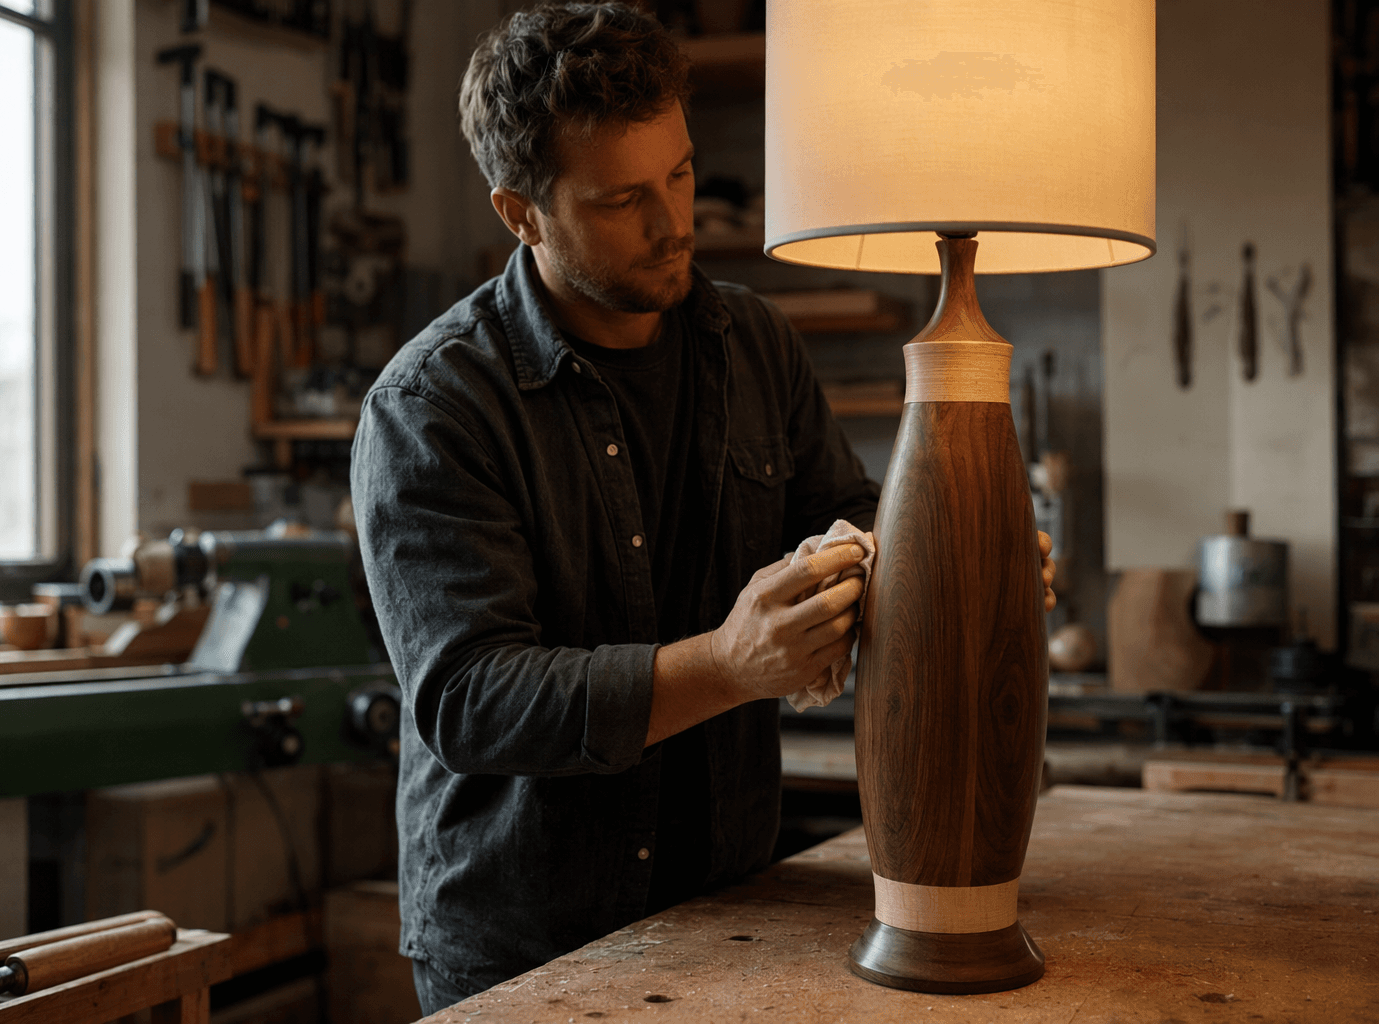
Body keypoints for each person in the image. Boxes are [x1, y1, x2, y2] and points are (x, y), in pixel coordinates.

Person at [350, 3, 1055, 1015]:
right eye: (622, 198)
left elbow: (854, 521)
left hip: (732, 904)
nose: (673, 220)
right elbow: (471, 697)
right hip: (525, 942)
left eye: (679, 173)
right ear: (521, 212)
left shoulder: (752, 343)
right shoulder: (432, 407)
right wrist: (727, 665)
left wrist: (960, 563)